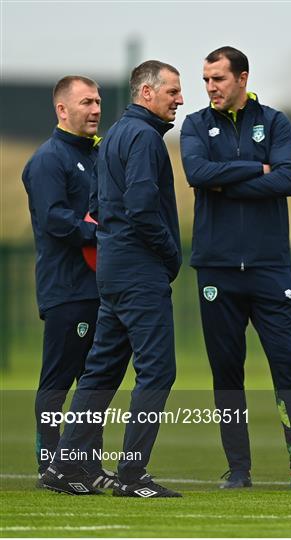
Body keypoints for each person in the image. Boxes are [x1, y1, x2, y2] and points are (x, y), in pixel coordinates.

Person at [180, 46, 291, 489]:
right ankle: (238, 470)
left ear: (242, 78)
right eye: (205, 79)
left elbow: (287, 180)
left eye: (218, 79)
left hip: (270, 268)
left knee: (289, 366)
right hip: (216, 269)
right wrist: (255, 168)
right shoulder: (194, 125)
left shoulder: (275, 122)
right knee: (227, 372)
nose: (210, 87)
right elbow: (196, 171)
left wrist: (224, 182)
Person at [41, 60, 184, 498]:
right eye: (172, 91)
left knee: (100, 371)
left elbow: (99, 205)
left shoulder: (117, 134)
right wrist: (169, 251)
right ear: (146, 93)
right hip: (139, 269)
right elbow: (142, 206)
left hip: (113, 269)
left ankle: (63, 466)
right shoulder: (143, 137)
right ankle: (132, 475)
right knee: (157, 371)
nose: (180, 99)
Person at [22, 76, 116, 488]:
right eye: (85, 103)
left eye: (97, 102)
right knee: (59, 379)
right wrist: (103, 231)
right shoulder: (48, 159)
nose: (95, 110)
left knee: (92, 383)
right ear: (62, 110)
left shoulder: (97, 155)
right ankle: (50, 464)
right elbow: (54, 218)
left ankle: (87, 466)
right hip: (67, 290)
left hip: (99, 287)